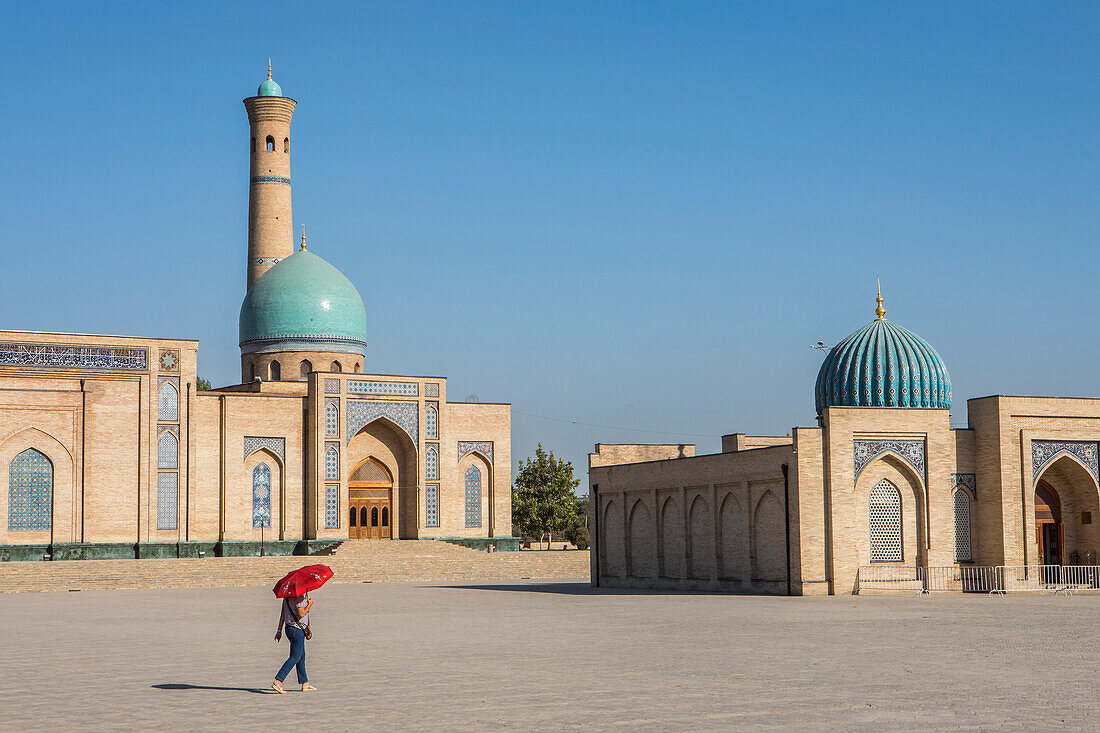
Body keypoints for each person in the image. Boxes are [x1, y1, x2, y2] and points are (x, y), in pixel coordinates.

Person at [271, 592, 316, 693]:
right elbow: (301, 613)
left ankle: (305, 683)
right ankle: (278, 680)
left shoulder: (287, 596)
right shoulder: (299, 597)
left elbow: (283, 614)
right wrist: (310, 604)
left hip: (289, 628)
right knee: (295, 657)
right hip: (297, 630)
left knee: (301, 656)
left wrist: (279, 630)